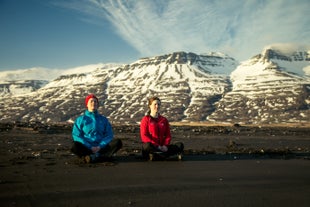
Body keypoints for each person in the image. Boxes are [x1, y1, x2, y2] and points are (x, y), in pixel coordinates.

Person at [71, 94, 122, 163]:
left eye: (95, 102)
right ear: (87, 104)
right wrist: (89, 146)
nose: (93, 103)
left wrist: (100, 146)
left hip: (101, 148)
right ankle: (99, 157)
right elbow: (76, 135)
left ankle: (92, 157)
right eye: (91, 101)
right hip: (87, 147)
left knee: (118, 142)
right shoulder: (80, 120)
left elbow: (109, 135)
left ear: (97, 105)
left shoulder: (104, 120)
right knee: (75, 145)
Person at [140, 96, 184, 161]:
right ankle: (165, 156)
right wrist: (157, 146)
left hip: (163, 147)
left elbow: (168, 135)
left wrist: (165, 145)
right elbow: (144, 136)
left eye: (158, 104)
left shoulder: (164, 120)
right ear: (150, 106)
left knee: (180, 145)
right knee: (147, 146)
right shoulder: (146, 119)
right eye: (155, 104)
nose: (157, 106)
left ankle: (158, 156)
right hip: (153, 146)